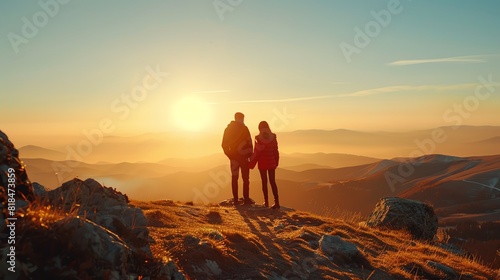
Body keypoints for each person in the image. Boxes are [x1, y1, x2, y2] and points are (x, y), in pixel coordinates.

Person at [221, 112, 253, 205]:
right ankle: (246, 199)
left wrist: (230, 155)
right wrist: (250, 155)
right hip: (244, 158)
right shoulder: (245, 128)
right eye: (243, 119)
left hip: (234, 158)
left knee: (235, 178)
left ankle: (235, 200)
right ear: (241, 118)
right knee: (245, 179)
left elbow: (224, 144)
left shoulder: (228, 129)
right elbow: (249, 142)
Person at [250, 121, 280, 209]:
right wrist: (276, 162)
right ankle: (277, 202)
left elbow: (256, 152)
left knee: (264, 182)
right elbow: (276, 150)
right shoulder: (273, 137)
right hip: (271, 163)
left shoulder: (258, 138)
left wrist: (251, 163)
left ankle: (266, 202)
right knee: (272, 182)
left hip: (262, 163)